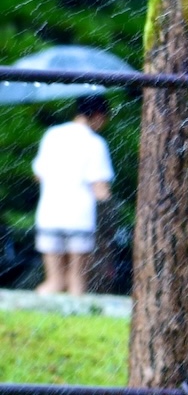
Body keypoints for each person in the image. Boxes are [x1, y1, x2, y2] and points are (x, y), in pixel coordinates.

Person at [33, 96, 115, 296]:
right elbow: (100, 190)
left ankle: (30, 319)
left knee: (54, 282)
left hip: (49, 215)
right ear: (97, 115)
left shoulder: (52, 135)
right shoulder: (95, 143)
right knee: (76, 281)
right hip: (79, 218)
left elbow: (38, 175)